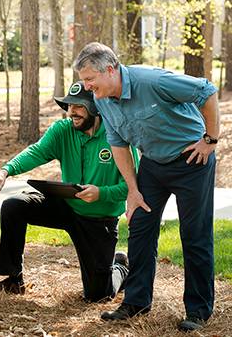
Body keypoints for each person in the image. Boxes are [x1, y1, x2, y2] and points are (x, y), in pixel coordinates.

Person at [73, 42, 220, 332]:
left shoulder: (152, 80)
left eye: (90, 79)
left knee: (194, 234)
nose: (87, 87)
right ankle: (136, 301)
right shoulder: (102, 99)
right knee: (140, 226)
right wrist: (132, 189)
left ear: (111, 69)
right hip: (153, 164)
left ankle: (199, 310)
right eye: (83, 81)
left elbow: (207, 91)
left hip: (192, 159)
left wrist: (210, 139)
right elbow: (118, 144)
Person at [0, 82, 137, 303]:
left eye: (78, 106)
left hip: (98, 218)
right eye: (68, 106)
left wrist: (100, 193)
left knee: (98, 295)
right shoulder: (62, 130)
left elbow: (131, 187)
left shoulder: (117, 136)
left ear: (95, 107)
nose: (71, 111)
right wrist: (5, 171)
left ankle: (121, 265)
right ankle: (13, 279)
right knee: (14, 206)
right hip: (66, 205)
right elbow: (36, 152)